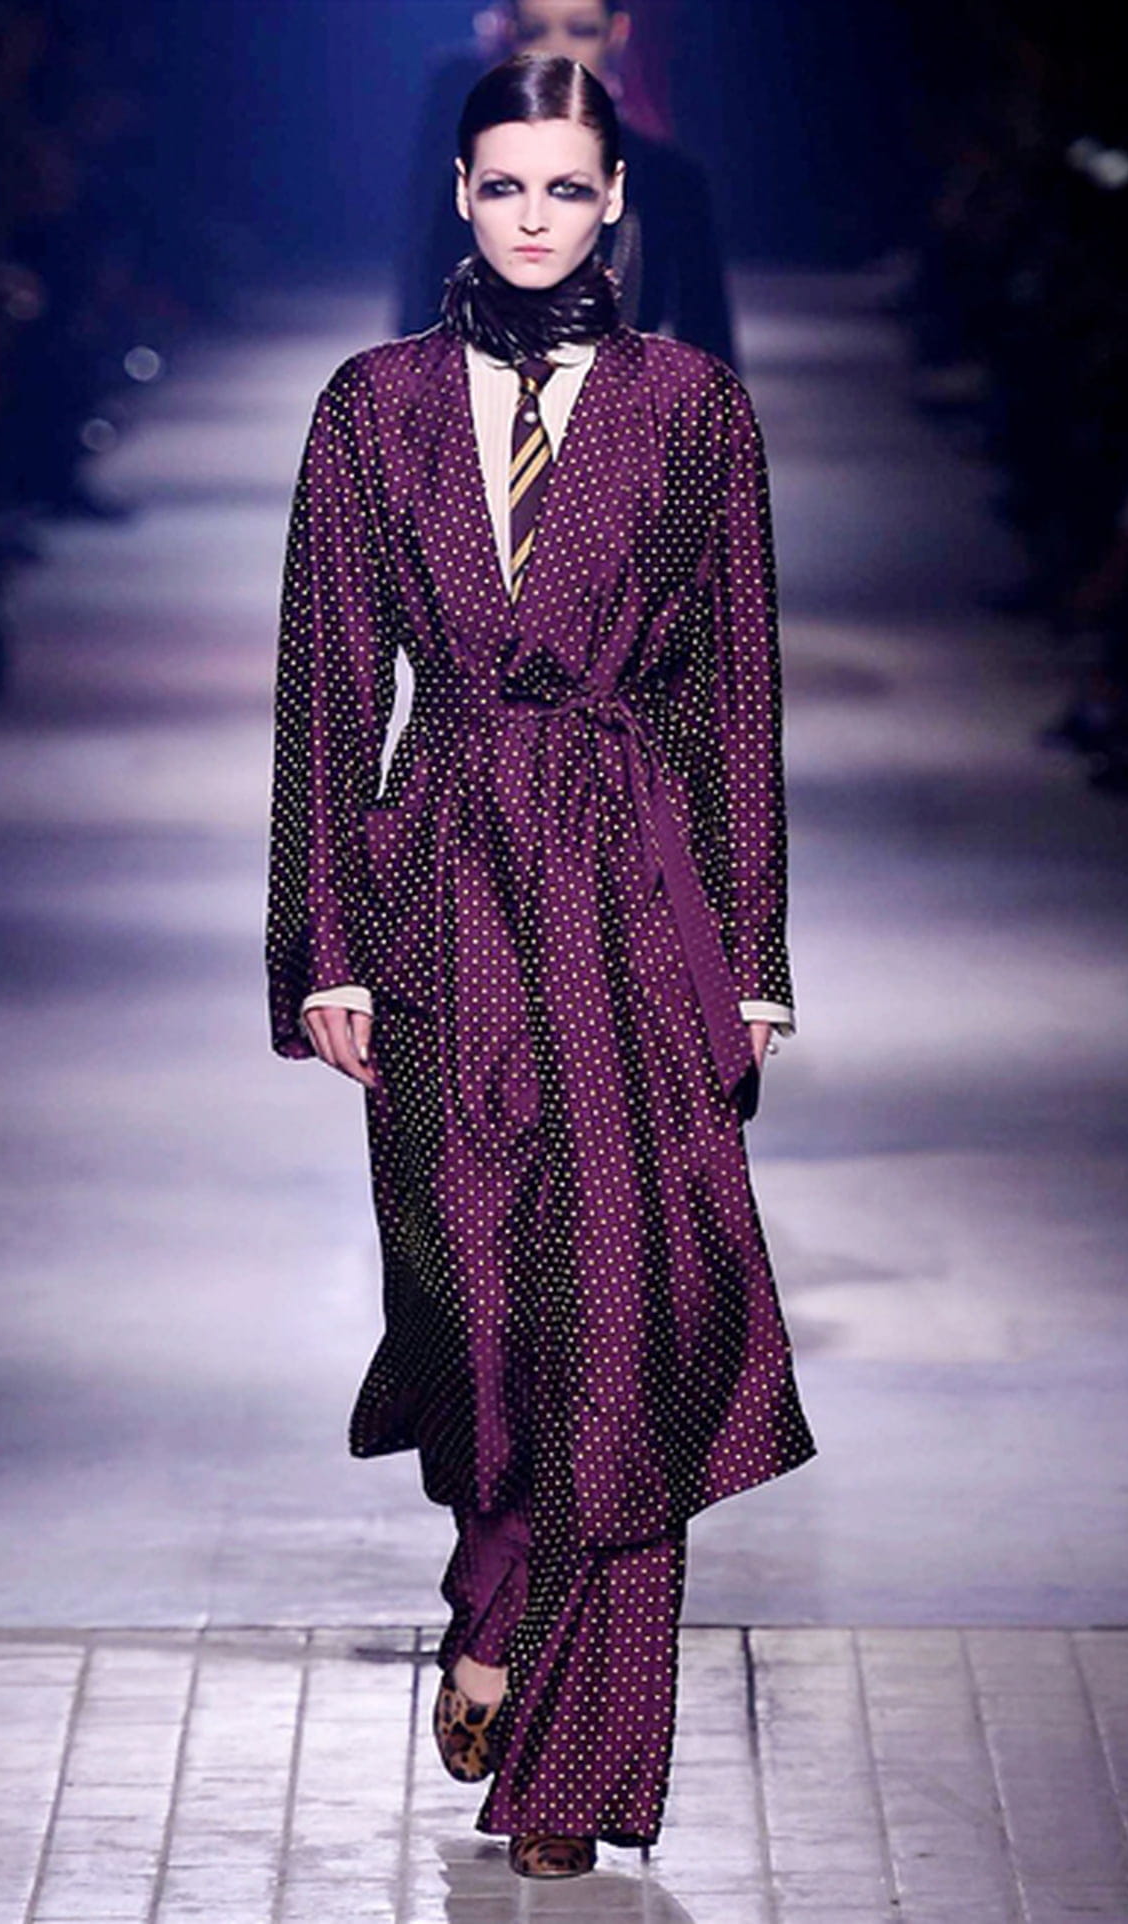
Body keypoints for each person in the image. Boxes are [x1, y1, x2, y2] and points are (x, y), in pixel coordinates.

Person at [266, 52, 815, 1881]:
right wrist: (326, 947)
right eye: (503, 186)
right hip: (438, 882)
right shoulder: (375, 408)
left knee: (627, 1311)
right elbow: (328, 687)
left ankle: (572, 1766)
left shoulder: (693, 410)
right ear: (458, 192)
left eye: (566, 189)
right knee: (476, 1301)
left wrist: (750, 958)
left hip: (631, 891)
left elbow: (736, 693)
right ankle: (493, 1571)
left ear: (615, 203)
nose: (532, 219)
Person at [397, 0, 739, 368]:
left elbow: (711, 356)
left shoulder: (671, 181)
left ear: (616, 34)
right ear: (509, 34)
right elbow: (423, 339)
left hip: (622, 402)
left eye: (581, 30)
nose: (556, 49)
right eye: (534, 31)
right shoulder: (467, 181)